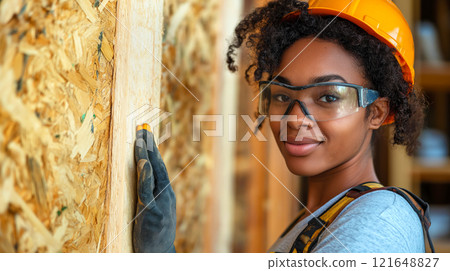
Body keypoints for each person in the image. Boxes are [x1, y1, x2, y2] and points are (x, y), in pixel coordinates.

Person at [133, 0, 431, 253]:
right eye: (282, 95)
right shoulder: (321, 220)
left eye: (328, 96)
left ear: (376, 112)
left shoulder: (377, 223)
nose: (295, 119)